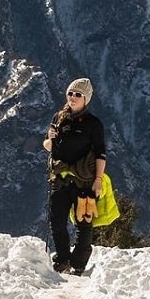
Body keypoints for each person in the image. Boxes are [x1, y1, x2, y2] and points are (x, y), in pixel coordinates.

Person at [43, 77, 106, 275]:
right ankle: (62, 259)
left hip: (84, 180)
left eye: (78, 94)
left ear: (86, 98)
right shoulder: (58, 118)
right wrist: (50, 139)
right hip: (60, 178)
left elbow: (100, 153)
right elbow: (49, 147)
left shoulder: (93, 124)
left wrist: (98, 180)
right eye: (70, 93)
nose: (73, 97)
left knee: (84, 222)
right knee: (57, 221)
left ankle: (78, 264)